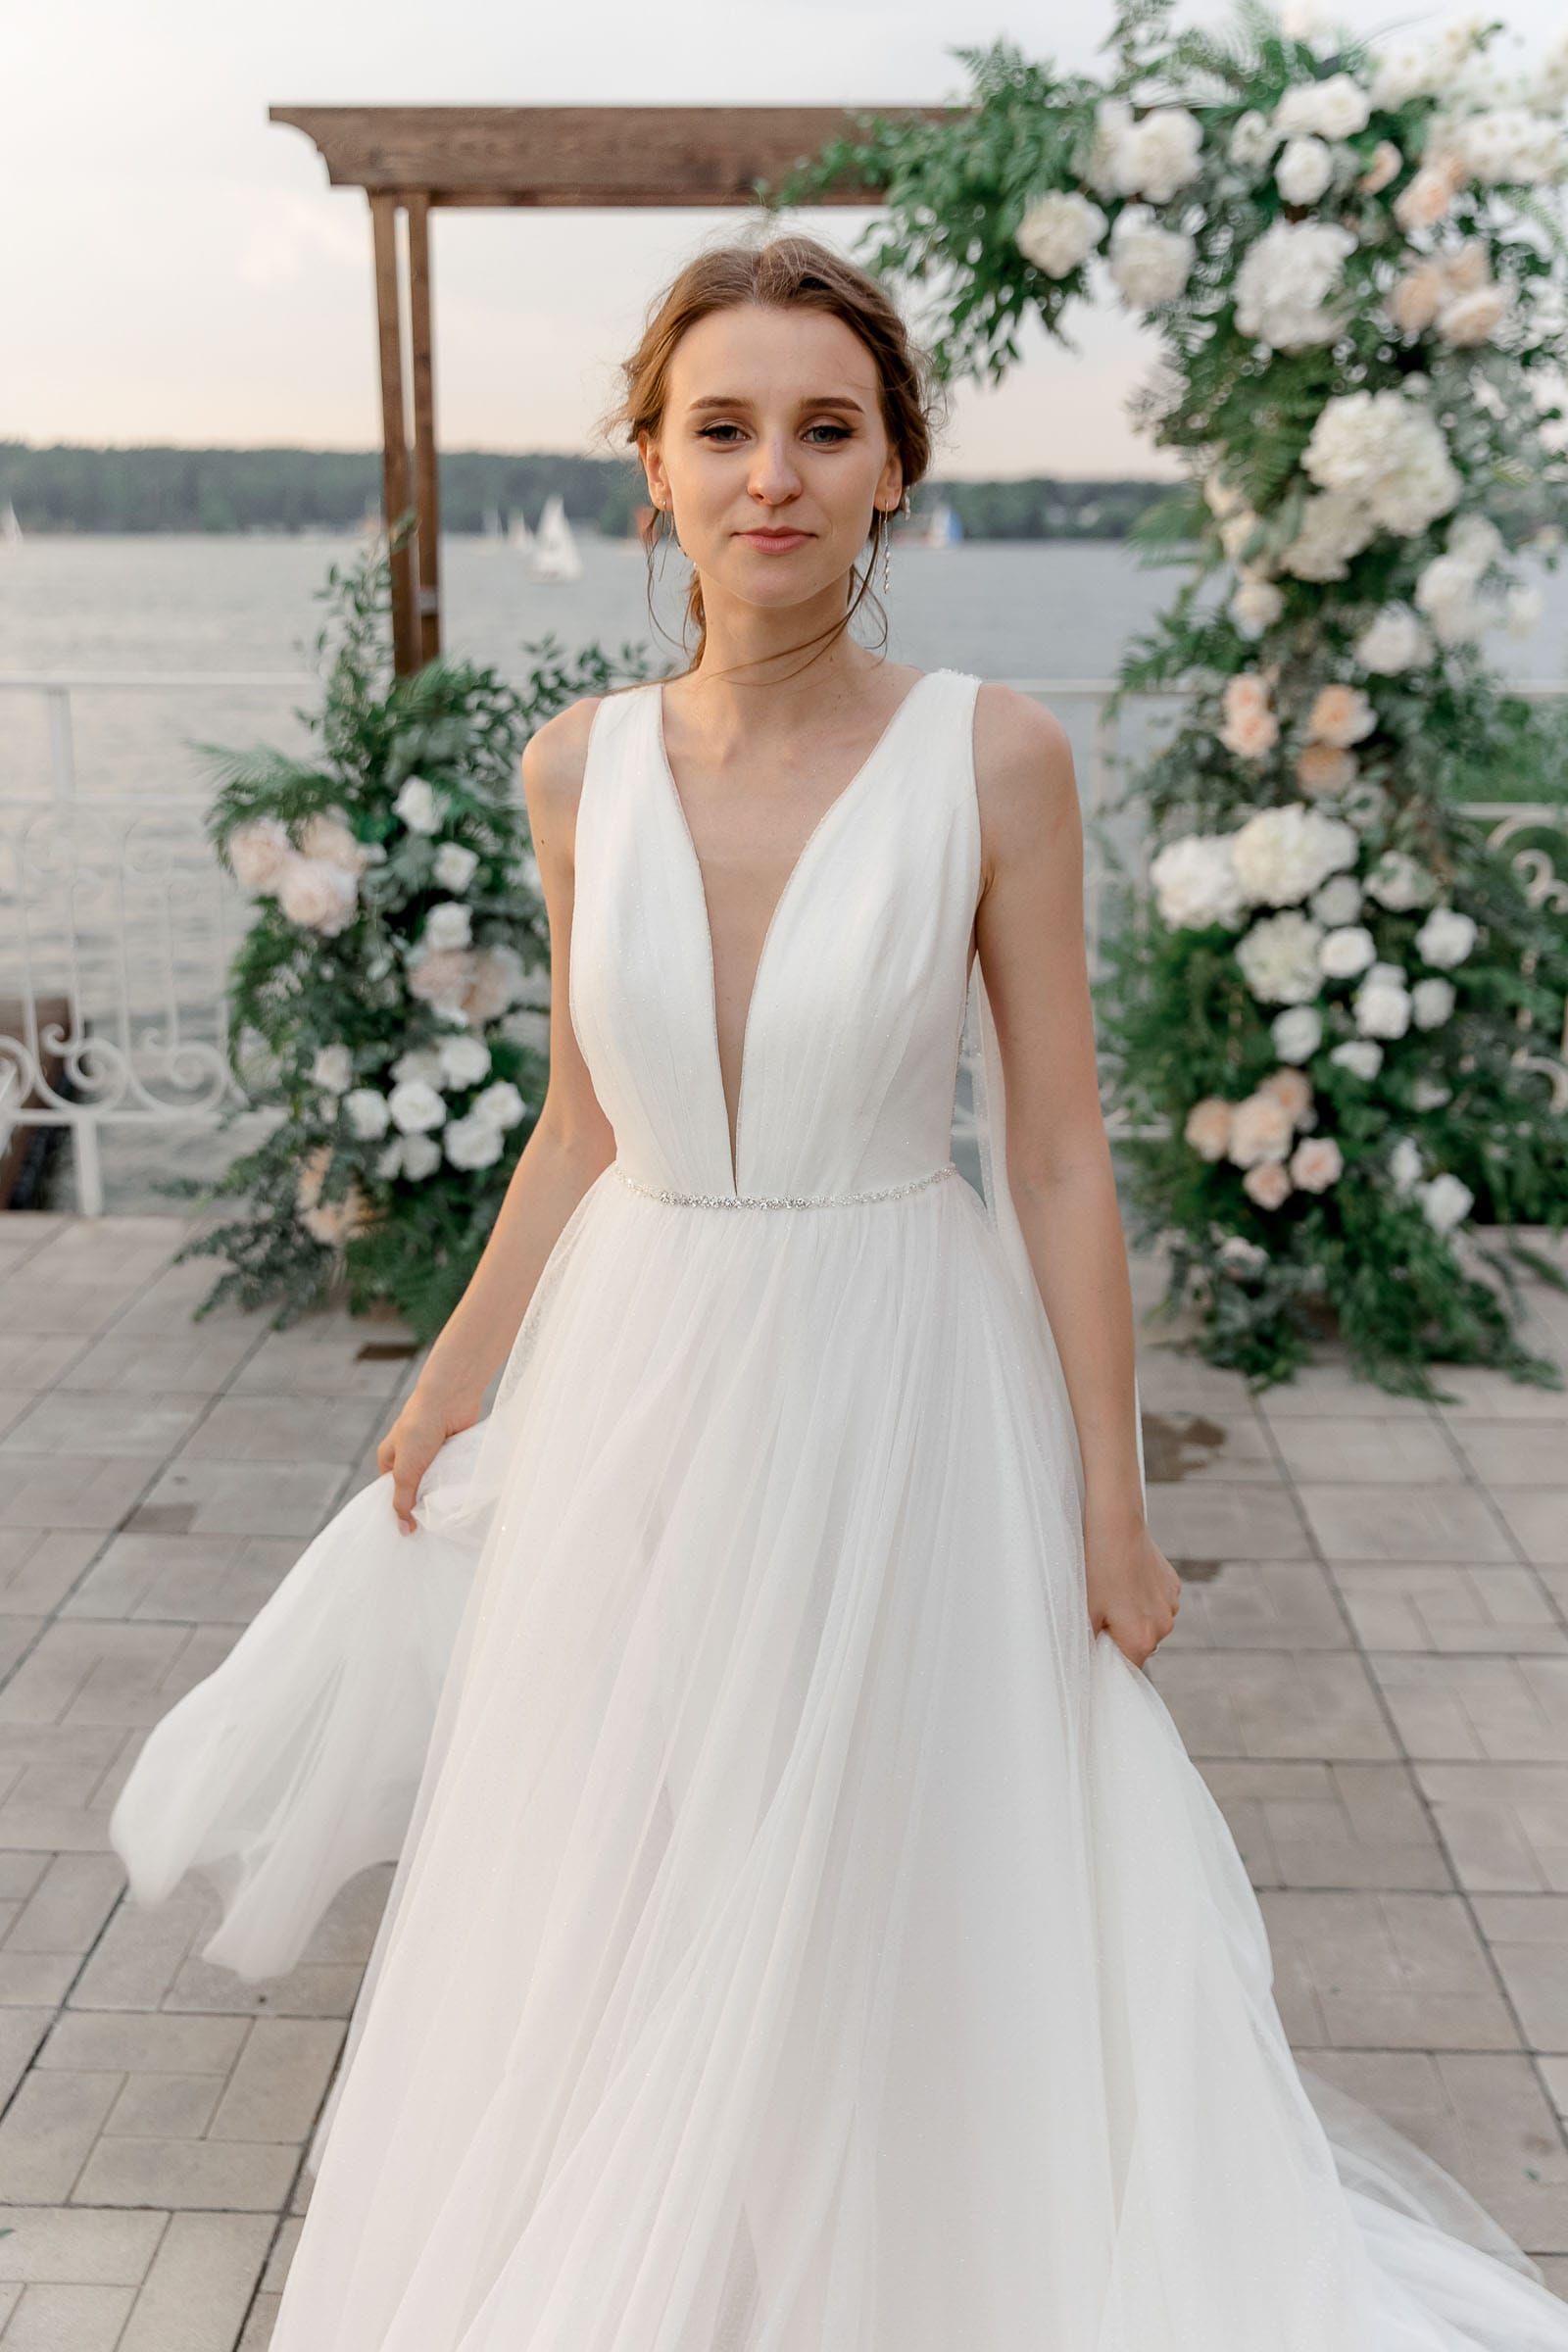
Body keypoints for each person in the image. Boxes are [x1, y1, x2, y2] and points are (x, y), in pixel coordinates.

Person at [110, 232, 1568, 2350]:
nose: (771, 475)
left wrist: (1112, 1501)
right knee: (644, 1841)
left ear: (894, 468)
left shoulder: (995, 759)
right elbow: (579, 1124)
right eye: (722, 429)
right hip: (640, 1371)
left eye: (824, 429)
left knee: (889, 1841)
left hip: (899, 1370)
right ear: (651, 465)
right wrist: (450, 1382)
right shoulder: (574, 767)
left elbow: (1054, 1153)